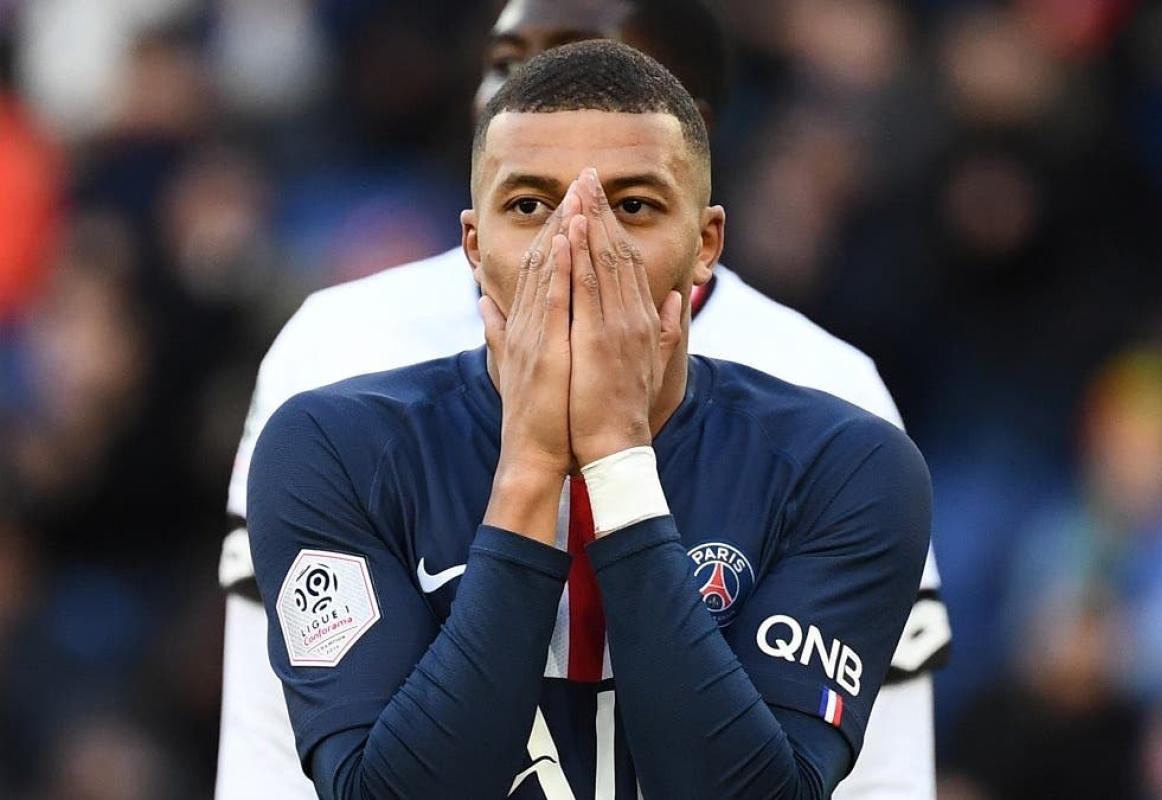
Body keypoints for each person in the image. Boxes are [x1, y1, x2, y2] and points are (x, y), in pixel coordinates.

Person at [215, 2, 950, 798]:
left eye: (631, 207)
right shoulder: (331, 439)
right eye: (529, 207)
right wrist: (531, 465)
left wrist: (617, 463)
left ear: (705, 243)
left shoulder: (843, 455)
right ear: (473, 245)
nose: (575, 246)